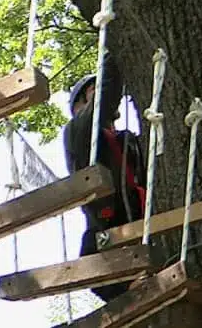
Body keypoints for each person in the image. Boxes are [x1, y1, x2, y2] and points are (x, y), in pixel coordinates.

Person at [62, 54, 146, 302]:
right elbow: (105, 99)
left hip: (141, 230)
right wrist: (113, 50)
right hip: (108, 239)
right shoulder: (77, 131)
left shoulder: (125, 140)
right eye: (93, 90)